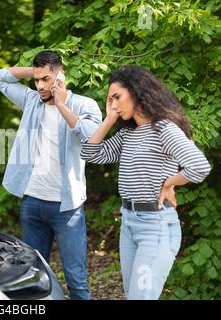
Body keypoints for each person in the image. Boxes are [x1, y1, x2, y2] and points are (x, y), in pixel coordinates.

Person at [80, 65, 211, 300]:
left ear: (137, 92)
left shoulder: (163, 128)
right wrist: (109, 119)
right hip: (129, 223)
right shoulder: (129, 133)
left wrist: (169, 183)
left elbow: (199, 166)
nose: (114, 105)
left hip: (156, 226)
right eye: (110, 100)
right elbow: (91, 154)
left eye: (117, 97)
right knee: (134, 295)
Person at [0, 50, 102, 300]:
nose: (40, 85)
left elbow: (90, 136)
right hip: (32, 203)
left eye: (45, 79)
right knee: (31, 277)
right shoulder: (32, 100)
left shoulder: (84, 105)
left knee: (76, 279)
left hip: (67, 208)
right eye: (36, 80)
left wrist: (61, 104)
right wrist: (37, 71)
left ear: (60, 75)